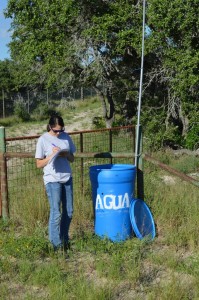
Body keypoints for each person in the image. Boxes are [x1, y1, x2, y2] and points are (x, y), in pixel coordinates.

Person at [35, 115, 76, 251]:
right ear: (50, 127)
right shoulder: (43, 140)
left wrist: (66, 155)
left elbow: (72, 159)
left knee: (69, 211)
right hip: (52, 180)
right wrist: (51, 155)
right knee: (56, 212)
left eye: (61, 130)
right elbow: (39, 164)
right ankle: (55, 245)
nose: (59, 133)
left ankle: (64, 240)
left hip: (66, 177)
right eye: (56, 130)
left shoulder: (66, 137)